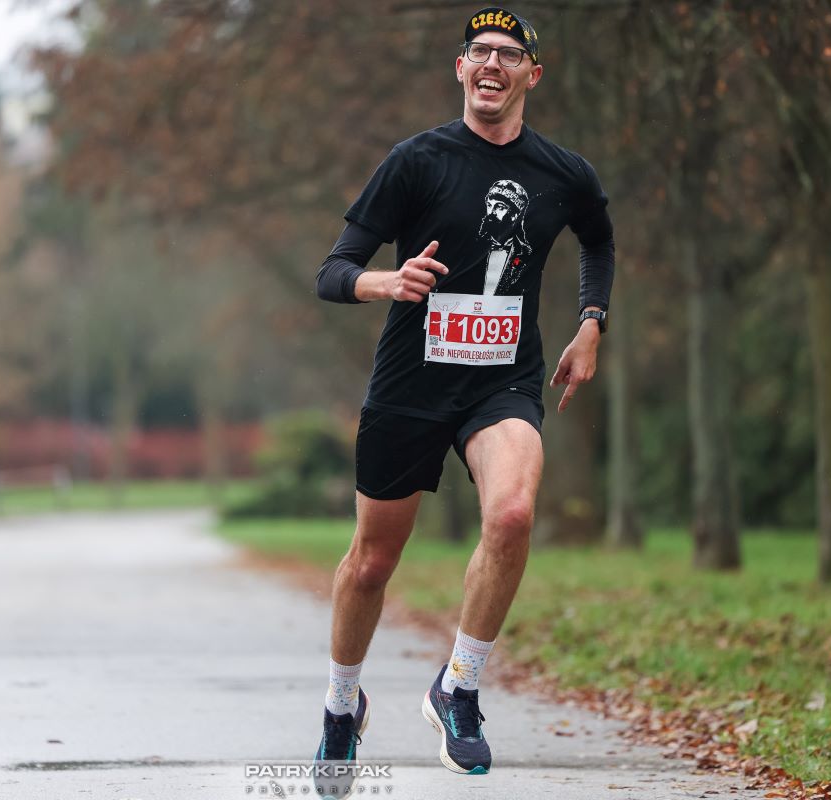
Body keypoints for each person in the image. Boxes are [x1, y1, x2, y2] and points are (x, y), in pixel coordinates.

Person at [312, 6, 614, 784]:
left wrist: (591, 322)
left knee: (511, 514)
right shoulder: (416, 161)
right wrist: (385, 282)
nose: (492, 64)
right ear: (460, 69)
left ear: (531, 75)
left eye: (509, 55)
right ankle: (342, 705)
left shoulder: (564, 173)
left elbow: (597, 238)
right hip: (411, 383)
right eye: (479, 51)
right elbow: (333, 270)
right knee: (371, 563)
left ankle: (460, 688)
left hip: (502, 382)